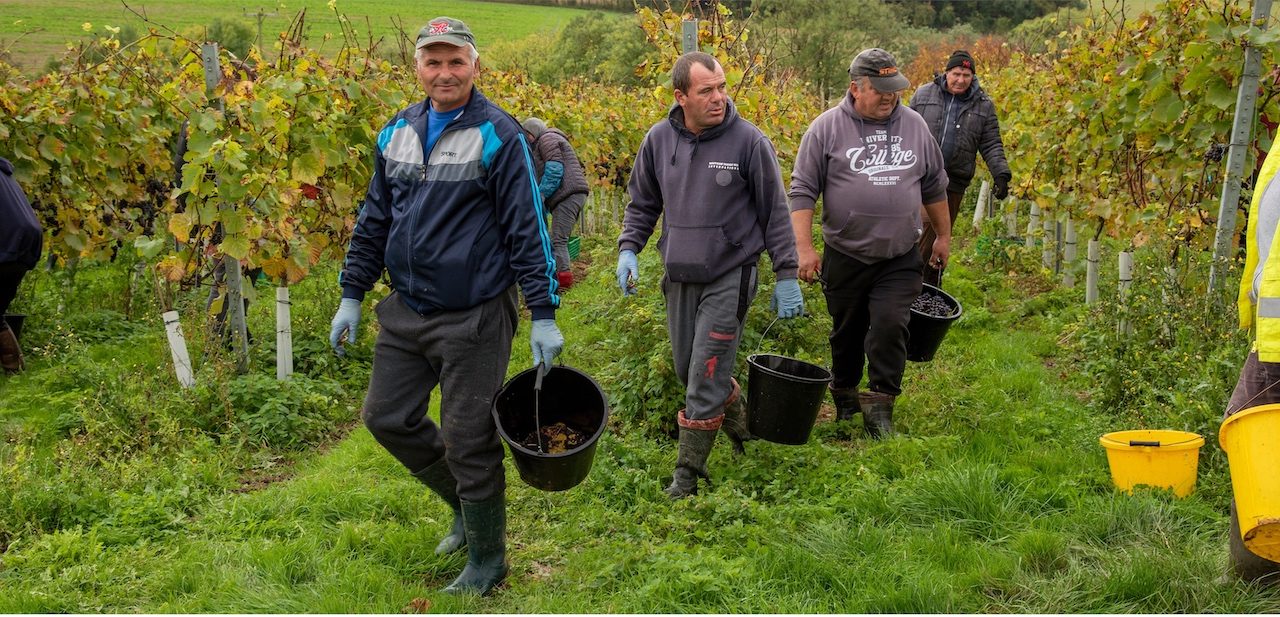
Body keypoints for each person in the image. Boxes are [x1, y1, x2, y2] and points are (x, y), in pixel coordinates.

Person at [328, 16, 564, 596]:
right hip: (407, 309)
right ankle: (460, 503)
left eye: (455, 60)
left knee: (468, 437)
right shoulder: (396, 133)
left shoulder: (499, 137)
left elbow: (526, 228)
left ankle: (488, 560)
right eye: (433, 61)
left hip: (475, 313)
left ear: (475, 66)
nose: (444, 72)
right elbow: (374, 218)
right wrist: (352, 294)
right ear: (417, 69)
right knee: (386, 417)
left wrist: (543, 311)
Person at [615, 51, 804, 499]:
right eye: (707, 91)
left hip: (729, 274)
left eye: (722, 87)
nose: (719, 97)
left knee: (704, 374)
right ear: (681, 97)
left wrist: (786, 272)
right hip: (679, 272)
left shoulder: (749, 142)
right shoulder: (659, 140)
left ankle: (687, 477)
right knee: (689, 370)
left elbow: (775, 213)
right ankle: (743, 432)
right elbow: (643, 203)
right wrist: (629, 249)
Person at [788, 48, 950, 439]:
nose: (889, 96)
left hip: (898, 255)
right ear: (855, 88)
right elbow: (803, 191)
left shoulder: (914, 126)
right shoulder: (825, 129)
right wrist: (804, 249)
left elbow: (934, 186)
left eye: (893, 89)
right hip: (845, 254)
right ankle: (844, 395)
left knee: (890, 325)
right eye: (879, 90)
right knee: (847, 330)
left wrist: (943, 235)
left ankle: (880, 406)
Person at [908, 50, 1011, 287]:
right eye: (956, 73)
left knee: (937, 234)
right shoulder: (923, 95)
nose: (961, 79)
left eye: (966, 75)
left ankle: (926, 285)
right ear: (947, 73)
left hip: (953, 183)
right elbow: (904, 131)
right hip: (918, 177)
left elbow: (991, 142)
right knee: (915, 229)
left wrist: (1001, 173)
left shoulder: (983, 106)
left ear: (972, 77)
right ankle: (912, 283)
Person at [1227, 134, 1280, 585]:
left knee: (1246, 426)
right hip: (1273, 332)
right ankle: (1255, 570)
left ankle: (1256, 571)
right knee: (1247, 431)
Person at [521, 117, 589, 289]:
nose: (526, 139)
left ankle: (564, 284)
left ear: (534, 132)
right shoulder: (545, 141)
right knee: (556, 238)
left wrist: (541, 195)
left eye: (526, 134)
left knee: (558, 239)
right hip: (569, 194)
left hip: (568, 194)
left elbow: (554, 170)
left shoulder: (547, 139)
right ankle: (557, 279)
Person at [0, 156, 42, 374]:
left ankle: (13, 368)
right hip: (24, 247)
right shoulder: (6, 177)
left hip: (6, 245)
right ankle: (13, 370)